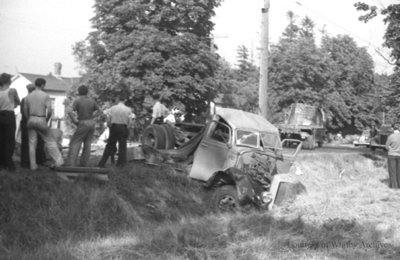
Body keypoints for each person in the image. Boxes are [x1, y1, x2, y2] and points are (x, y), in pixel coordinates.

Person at [23, 78, 64, 170]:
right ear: (42, 85)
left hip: (31, 118)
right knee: (49, 141)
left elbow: (25, 110)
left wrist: (28, 119)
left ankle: (33, 166)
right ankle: (59, 161)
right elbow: (49, 110)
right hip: (41, 118)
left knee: (32, 143)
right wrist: (46, 119)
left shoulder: (28, 97)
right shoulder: (45, 95)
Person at [66, 85, 100, 167]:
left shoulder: (77, 101)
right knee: (87, 144)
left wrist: (74, 120)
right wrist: (93, 118)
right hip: (91, 123)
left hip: (82, 122)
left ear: (78, 92)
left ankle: (71, 164)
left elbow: (69, 111)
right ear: (87, 92)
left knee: (75, 143)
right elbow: (99, 111)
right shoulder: (92, 101)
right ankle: (84, 164)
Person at [97, 97, 133, 168]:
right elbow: (130, 122)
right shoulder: (128, 110)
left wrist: (109, 126)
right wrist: (127, 128)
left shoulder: (113, 108)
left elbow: (108, 119)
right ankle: (121, 165)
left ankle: (102, 163)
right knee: (122, 146)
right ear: (125, 100)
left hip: (114, 127)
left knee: (110, 145)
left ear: (118, 100)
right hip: (123, 127)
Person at [20, 84, 46, 168]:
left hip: (26, 122)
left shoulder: (24, 100)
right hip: (37, 121)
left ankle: (25, 162)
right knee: (39, 142)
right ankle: (39, 160)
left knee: (25, 143)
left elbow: (23, 112)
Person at [0, 73, 20, 171]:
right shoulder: (12, 91)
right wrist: (13, 104)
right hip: (9, 115)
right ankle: (9, 163)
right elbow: (18, 102)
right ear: (9, 81)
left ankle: (1, 163)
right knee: (9, 140)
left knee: (1, 140)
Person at [385, 124, 400, 189]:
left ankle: (394, 186)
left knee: (392, 171)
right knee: (399, 171)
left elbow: (386, 147)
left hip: (392, 155)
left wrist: (390, 148)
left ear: (393, 129)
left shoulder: (391, 136)